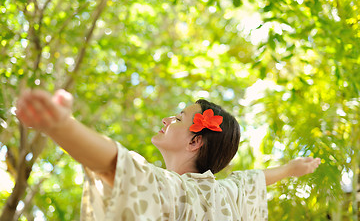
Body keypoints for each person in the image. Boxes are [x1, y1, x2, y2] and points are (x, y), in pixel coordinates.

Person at [15, 89, 321, 220]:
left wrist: (61, 126)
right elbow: (254, 179)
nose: (166, 120)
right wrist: (291, 169)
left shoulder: (178, 192)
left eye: (178, 117)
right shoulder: (228, 192)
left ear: (194, 142)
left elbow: (117, 166)